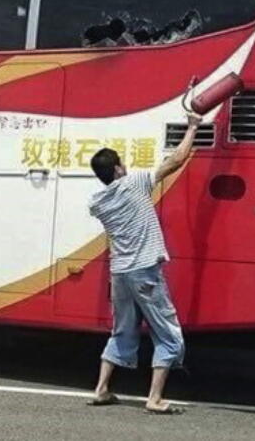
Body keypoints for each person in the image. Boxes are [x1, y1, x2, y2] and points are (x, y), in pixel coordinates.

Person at [87, 111, 202, 415]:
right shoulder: (134, 183)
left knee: (122, 330)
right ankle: (154, 397)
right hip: (144, 271)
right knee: (167, 331)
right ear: (118, 168)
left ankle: (101, 389)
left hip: (120, 273)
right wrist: (192, 128)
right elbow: (175, 161)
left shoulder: (97, 203)